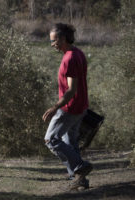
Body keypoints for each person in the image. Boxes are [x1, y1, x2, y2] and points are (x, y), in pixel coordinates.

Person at [42, 23, 92, 190]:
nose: (52, 44)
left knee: (51, 140)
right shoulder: (78, 53)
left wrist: (55, 107)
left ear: (63, 39)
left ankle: (79, 165)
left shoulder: (69, 58)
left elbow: (71, 89)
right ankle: (80, 180)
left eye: (54, 40)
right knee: (69, 142)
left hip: (69, 108)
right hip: (81, 107)